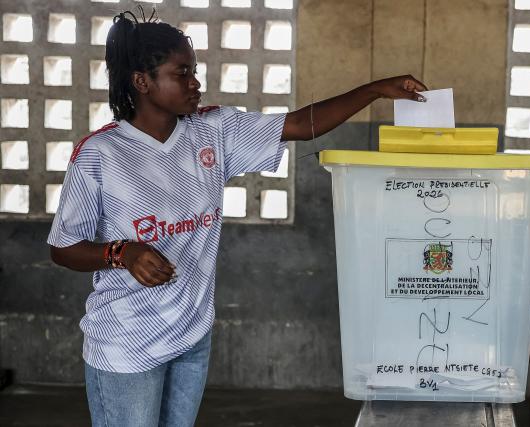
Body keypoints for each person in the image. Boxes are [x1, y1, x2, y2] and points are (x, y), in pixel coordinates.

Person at [47, 8, 428, 427]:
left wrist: (375, 90)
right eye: (182, 73)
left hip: (191, 335)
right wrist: (122, 253)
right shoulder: (101, 155)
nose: (195, 83)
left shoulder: (213, 130)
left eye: (194, 71)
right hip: (127, 343)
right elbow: (63, 249)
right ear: (142, 82)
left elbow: (301, 124)